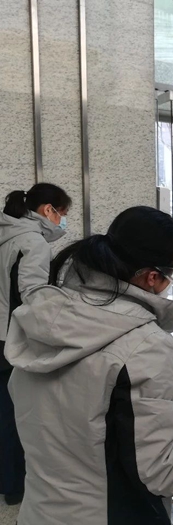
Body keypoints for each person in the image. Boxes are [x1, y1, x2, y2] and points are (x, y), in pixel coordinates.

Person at [4, 207, 173, 525]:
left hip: (39, 510)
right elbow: (159, 470)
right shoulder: (145, 346)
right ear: (152, 277)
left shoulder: (42, 317)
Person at [0, 183, 71, 506]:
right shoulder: (33, 243)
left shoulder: (6, 233)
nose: (62, 221)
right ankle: (16, 486)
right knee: (16, 415)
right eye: (62, 214)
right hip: (10, 339)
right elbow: (32, 298)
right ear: (48, 210)